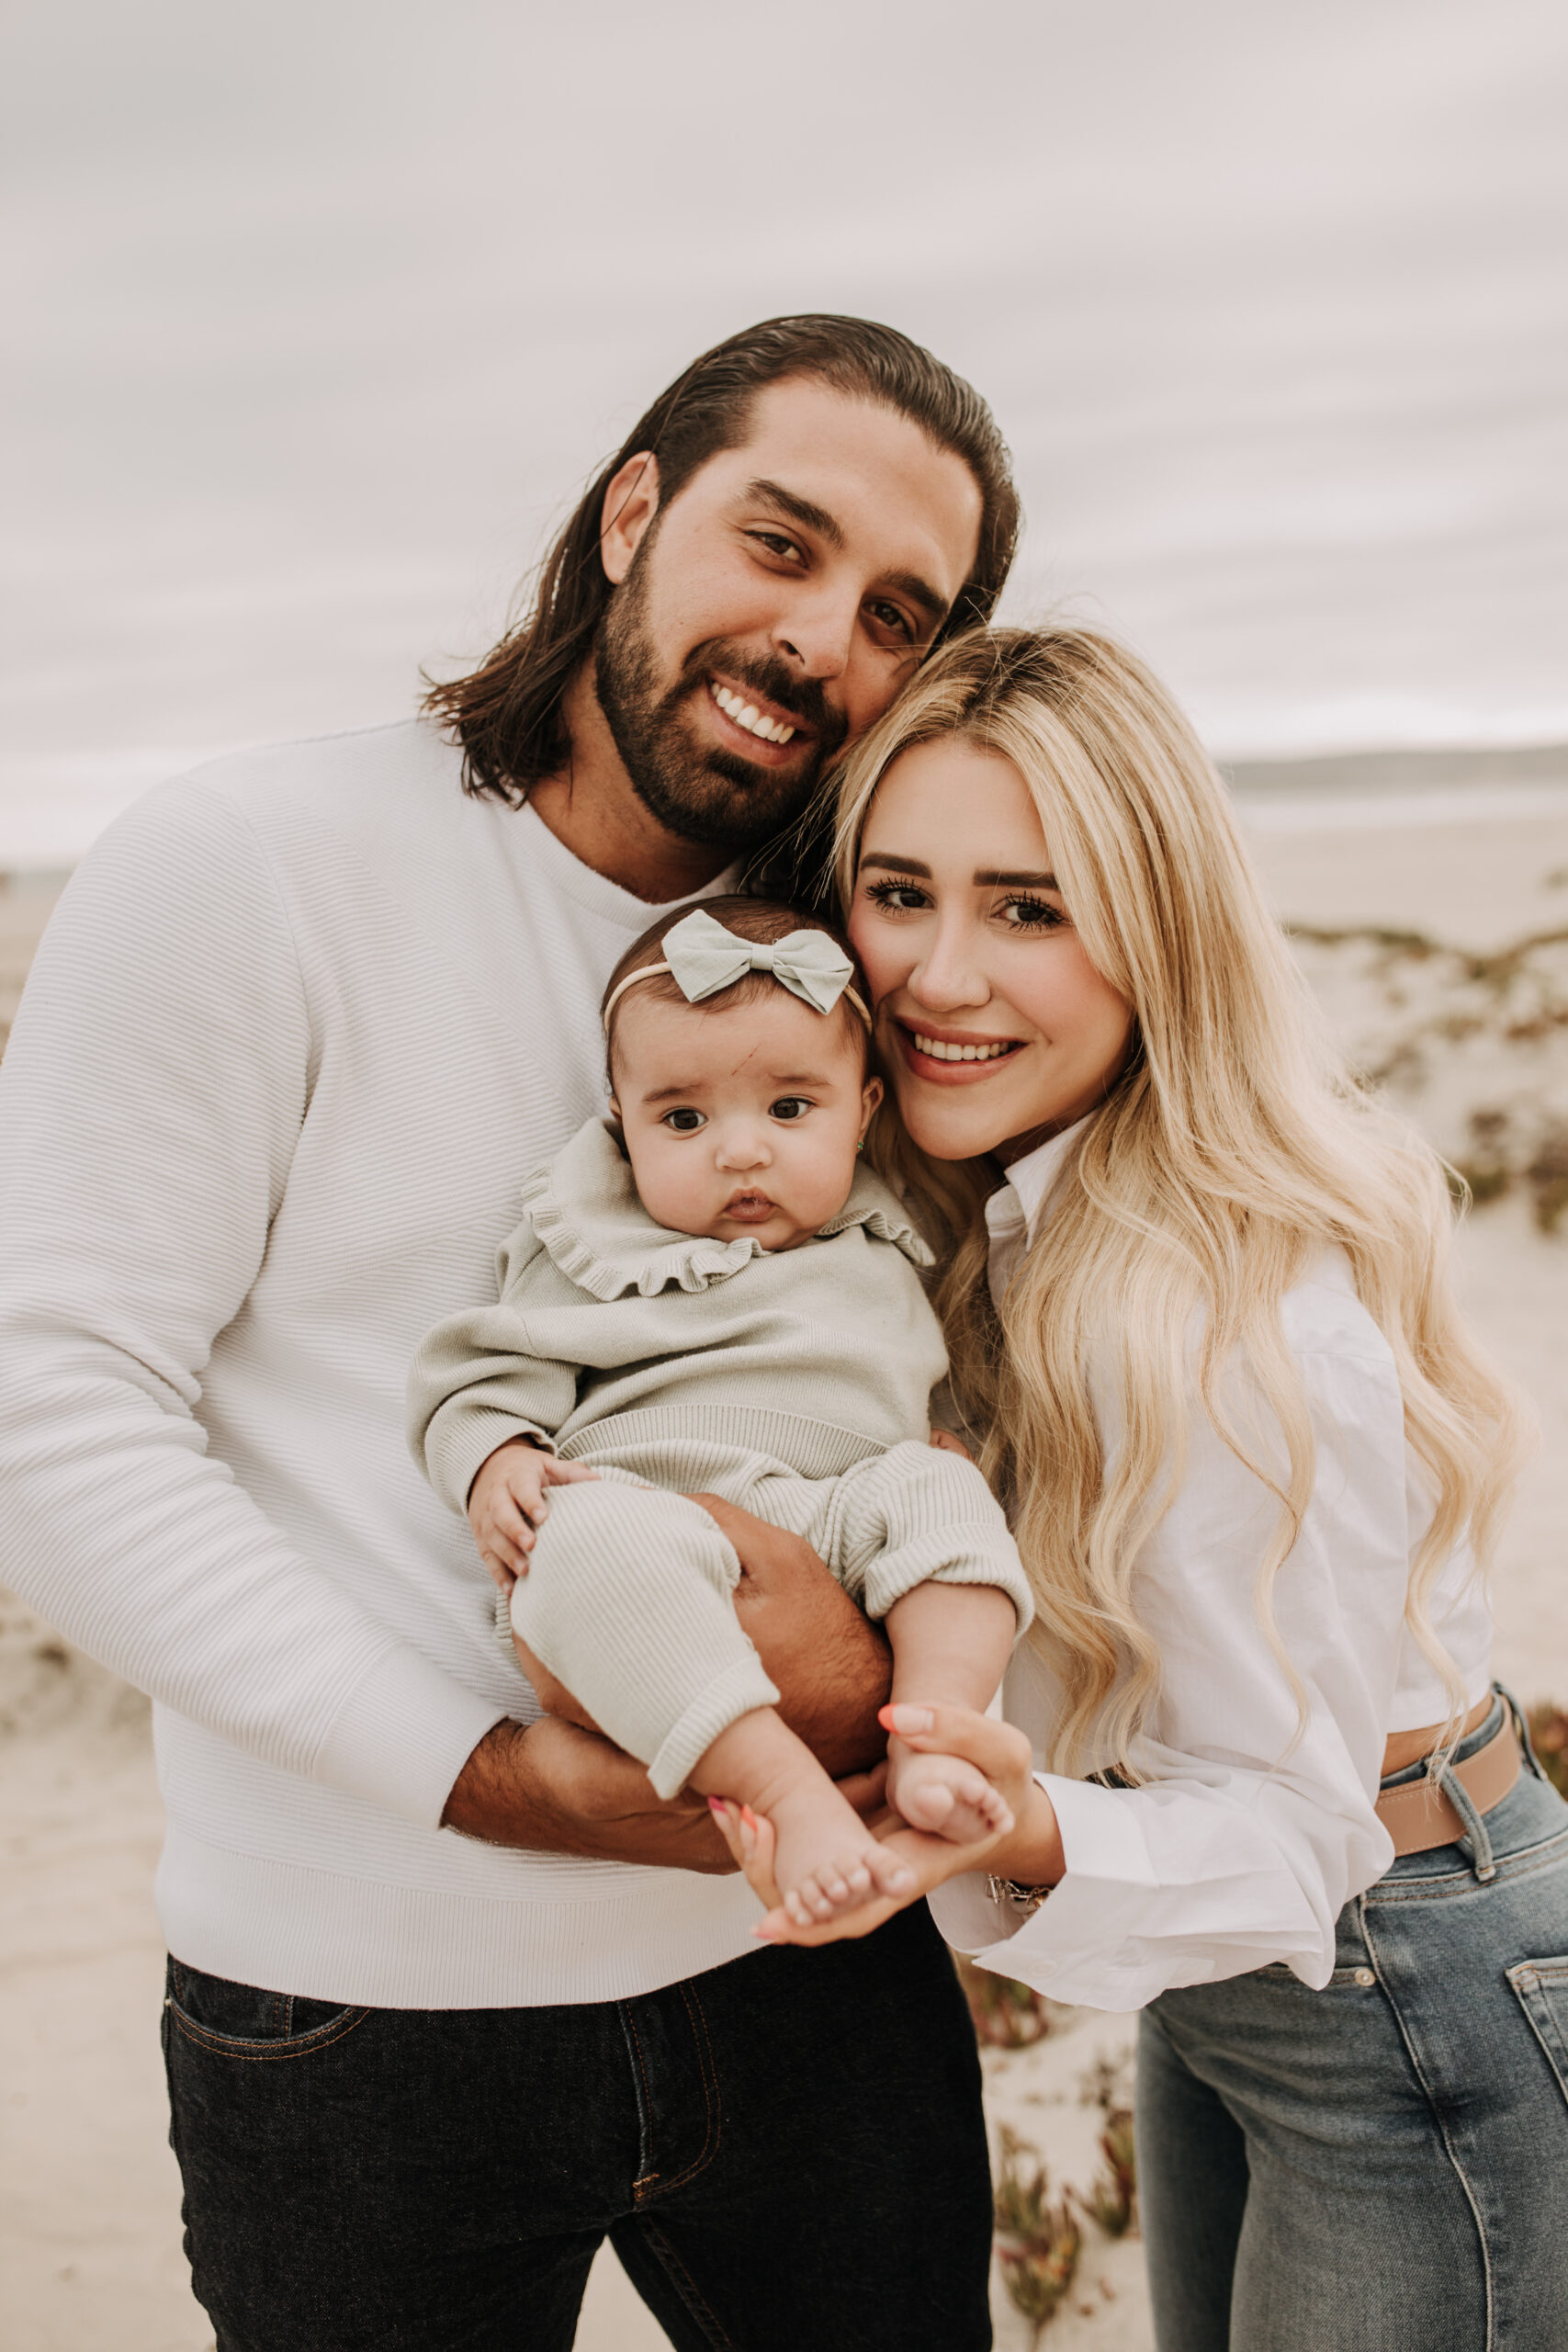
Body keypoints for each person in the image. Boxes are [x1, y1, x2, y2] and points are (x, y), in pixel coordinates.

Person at [0, 317, 1021, 2351]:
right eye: (781, 541)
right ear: (630, 510)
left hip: (816, 1973)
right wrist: (486, 1774)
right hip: (359, 2011)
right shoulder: (249, 866)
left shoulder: (862, 970)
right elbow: (47, 1416)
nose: (821, 634)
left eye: (893, 609)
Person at [718, 625, 1566, 2349]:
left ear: (1156, 933)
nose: (939, 976)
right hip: (1223, 1986)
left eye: (1030, 907)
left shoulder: (1232, 1332)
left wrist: (1010, 1828)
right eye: (899, 893)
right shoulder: (1019, 1215)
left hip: (1401, 1978)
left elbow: (1301, 1830)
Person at [410, 896, 1031, 1927]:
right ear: (622, 1123)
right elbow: (477, 1370)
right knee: (577, 1542)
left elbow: (948, 1389)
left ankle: (937, 1730)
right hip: (659, 1520)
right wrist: (495, 1458)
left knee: (942, 1489)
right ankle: (786, 1793)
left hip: (839, 1512)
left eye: (791, 1110)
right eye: (685, 1119)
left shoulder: (887, 1234)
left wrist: (952, 1451)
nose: (741, 1152)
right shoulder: (590, 1246)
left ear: (866, 1108)